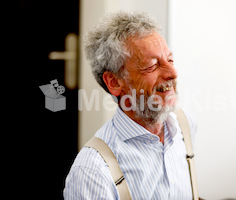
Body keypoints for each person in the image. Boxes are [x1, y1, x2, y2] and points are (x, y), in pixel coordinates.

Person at [64, 11, 198, 199]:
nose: (172, 72)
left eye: (170, 60)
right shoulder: (92, 172)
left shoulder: (185, 127)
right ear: (114, 82)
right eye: (152, 65)